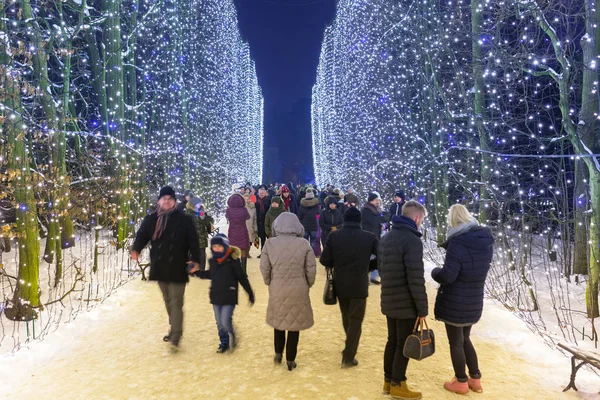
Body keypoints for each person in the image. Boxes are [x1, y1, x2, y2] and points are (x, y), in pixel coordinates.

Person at [431, 204, 494, 394]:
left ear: (453, 220)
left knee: (456, 342)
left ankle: (460, 381)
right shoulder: (485, 242)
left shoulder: (458, 243)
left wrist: (435, 272)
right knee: (465, 339)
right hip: (474, 299)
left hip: (455, 301)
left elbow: (448, 276)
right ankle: (475, 379)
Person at [130, 186, 202, 347]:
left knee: (176, 300)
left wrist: (196, 260)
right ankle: (173, 327)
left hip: (178, 264)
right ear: (159, 201)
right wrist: (136, 249)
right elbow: (142, 236)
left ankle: (176, 334)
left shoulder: (184, 220)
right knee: (167, 299)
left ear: (175, 202)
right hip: (160, 264)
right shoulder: (151, 219)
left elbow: (194, 241)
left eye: (170, 199)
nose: (167, 201)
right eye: (164, 198)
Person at [378, 200, 429, 399]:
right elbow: (415, 278)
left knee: (393, 341)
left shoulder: (387, 237)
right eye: (422, 220)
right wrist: (422, 308)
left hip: (389, 298)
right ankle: (398, 384)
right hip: (406, 302)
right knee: (403, 344)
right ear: (417, 218)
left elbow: (381, 269)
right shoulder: (412, 240)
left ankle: (388, 382)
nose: (421, 223)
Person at [319, 207, 378, 368]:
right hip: (359, 283)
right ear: (359, 220)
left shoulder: (334, 236)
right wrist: (369, 266)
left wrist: (336, 263)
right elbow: (381, 256)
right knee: (356, 320)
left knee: (346, 316)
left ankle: (349, 347)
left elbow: (324, 260)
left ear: (344, 219)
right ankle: (348, 355)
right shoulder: (369, 237)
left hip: (341, 282)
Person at [259, 213, 317, 371]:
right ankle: (290, 360)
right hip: (299, 288)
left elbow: (264, 267)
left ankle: (278, 353)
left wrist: (268, 281)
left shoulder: (270, 244)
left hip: (277, 287)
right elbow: (311, 268)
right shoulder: (304, 244)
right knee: (294, 325)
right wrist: (308, 284)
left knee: (279, 322)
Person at [189, 234, 255, 353]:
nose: (217, 249)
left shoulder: (233, 261)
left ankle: (232, 335)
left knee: (225, 321)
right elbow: (210, 274)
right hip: (216, 296)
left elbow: (242, 278)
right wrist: (197, 272)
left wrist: (250, 293)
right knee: (219, 323)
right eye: (214, 246)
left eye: (219, 246)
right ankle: (224, 342)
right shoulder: (213, 261)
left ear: (225, 246)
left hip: (229, 295)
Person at [362, 192, 386, 284]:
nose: (378, 202)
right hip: (368, 236)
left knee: (378, 256)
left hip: (376, 235)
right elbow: (372, 221)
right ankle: (366, 276)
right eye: (376, 200)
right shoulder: (366, 210)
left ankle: (374, 276)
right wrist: (383, 219)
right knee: (368, 257)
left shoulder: (375, 209)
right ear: (372, 200)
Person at [184, 196, 214, 271]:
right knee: (191, 253)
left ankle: (201, 269)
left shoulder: (202, 211)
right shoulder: (188, 213)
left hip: (201, 236)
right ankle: (191, 269)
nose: (199, 204)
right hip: (191, 236)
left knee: (202, 253)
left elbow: (208, 222)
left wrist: (205, 217)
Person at [225, 193, 251, 272]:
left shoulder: (228, 210)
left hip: (232, 231)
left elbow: (227, 217)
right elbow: (248, 217)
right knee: (243, 251)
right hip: (243, 231)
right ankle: (243, 271)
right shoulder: (244, 210)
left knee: (233, 251)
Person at [255, 187, 271, 253]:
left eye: (262, 193)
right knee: (262, 238)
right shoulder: (256, 202)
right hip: (260, 222)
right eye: (260, 193)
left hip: (267, 222)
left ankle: (269, 252)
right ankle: (263, 252)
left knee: (269, 238)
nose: (261, 194)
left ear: (265, 193)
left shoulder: (268, 201)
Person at [244, 194, 258, 258]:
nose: (247, 200)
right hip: (243, 227)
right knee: (244, 241)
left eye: (248, 199)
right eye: (245, 199)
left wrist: (255, 228)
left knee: (250, 241)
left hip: (251, 226)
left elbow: (255, 219)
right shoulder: (241, 208)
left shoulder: (253, 208)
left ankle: (247, 252)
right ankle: (245, 253)